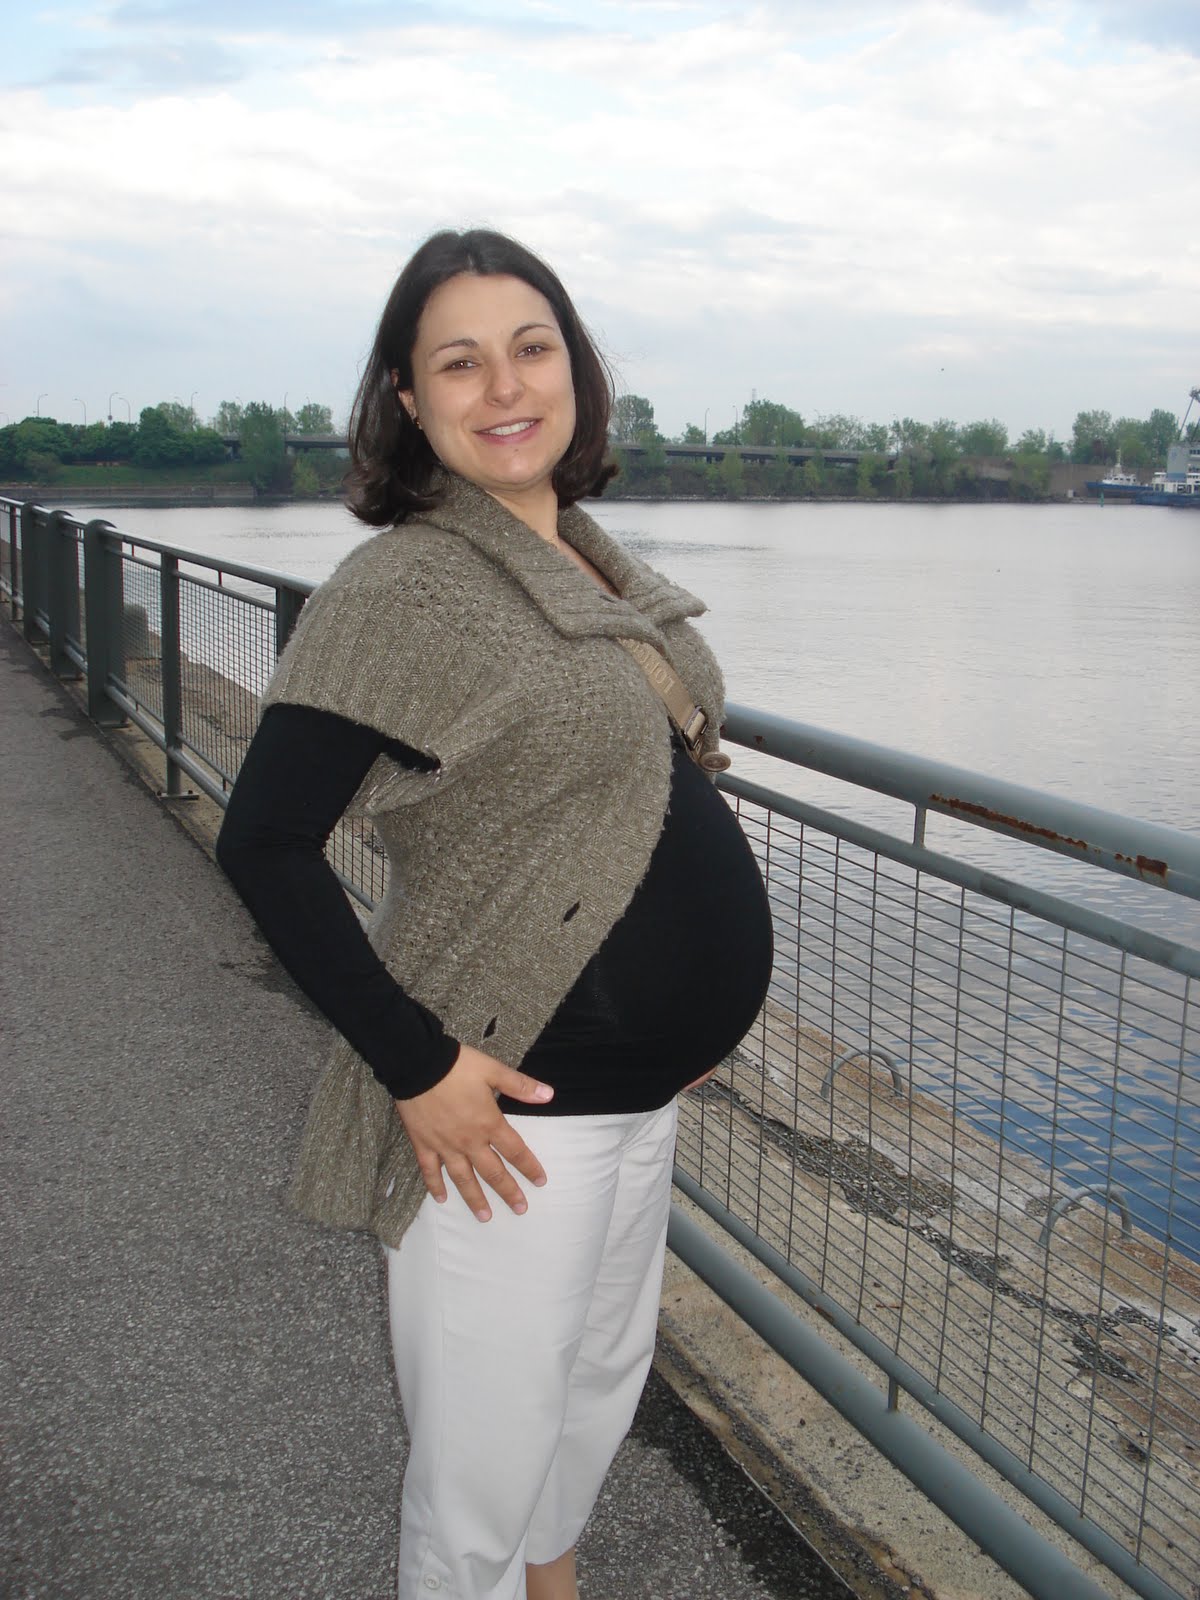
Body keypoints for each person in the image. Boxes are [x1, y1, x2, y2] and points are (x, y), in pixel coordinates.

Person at [216, 227, 773, 1600]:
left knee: (591, 1391)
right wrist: (418, 1068)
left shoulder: (587, 562)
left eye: (531, 348)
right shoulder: (404, 589)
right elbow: (267, 843)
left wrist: (694, 1010)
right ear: (409, 401)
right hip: (510, 1121)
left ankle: (555, 1584)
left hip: (639, 1095)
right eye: (459, 363)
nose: (505, 385)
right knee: (480, 1466)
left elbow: (630, 783)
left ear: (576, 369)